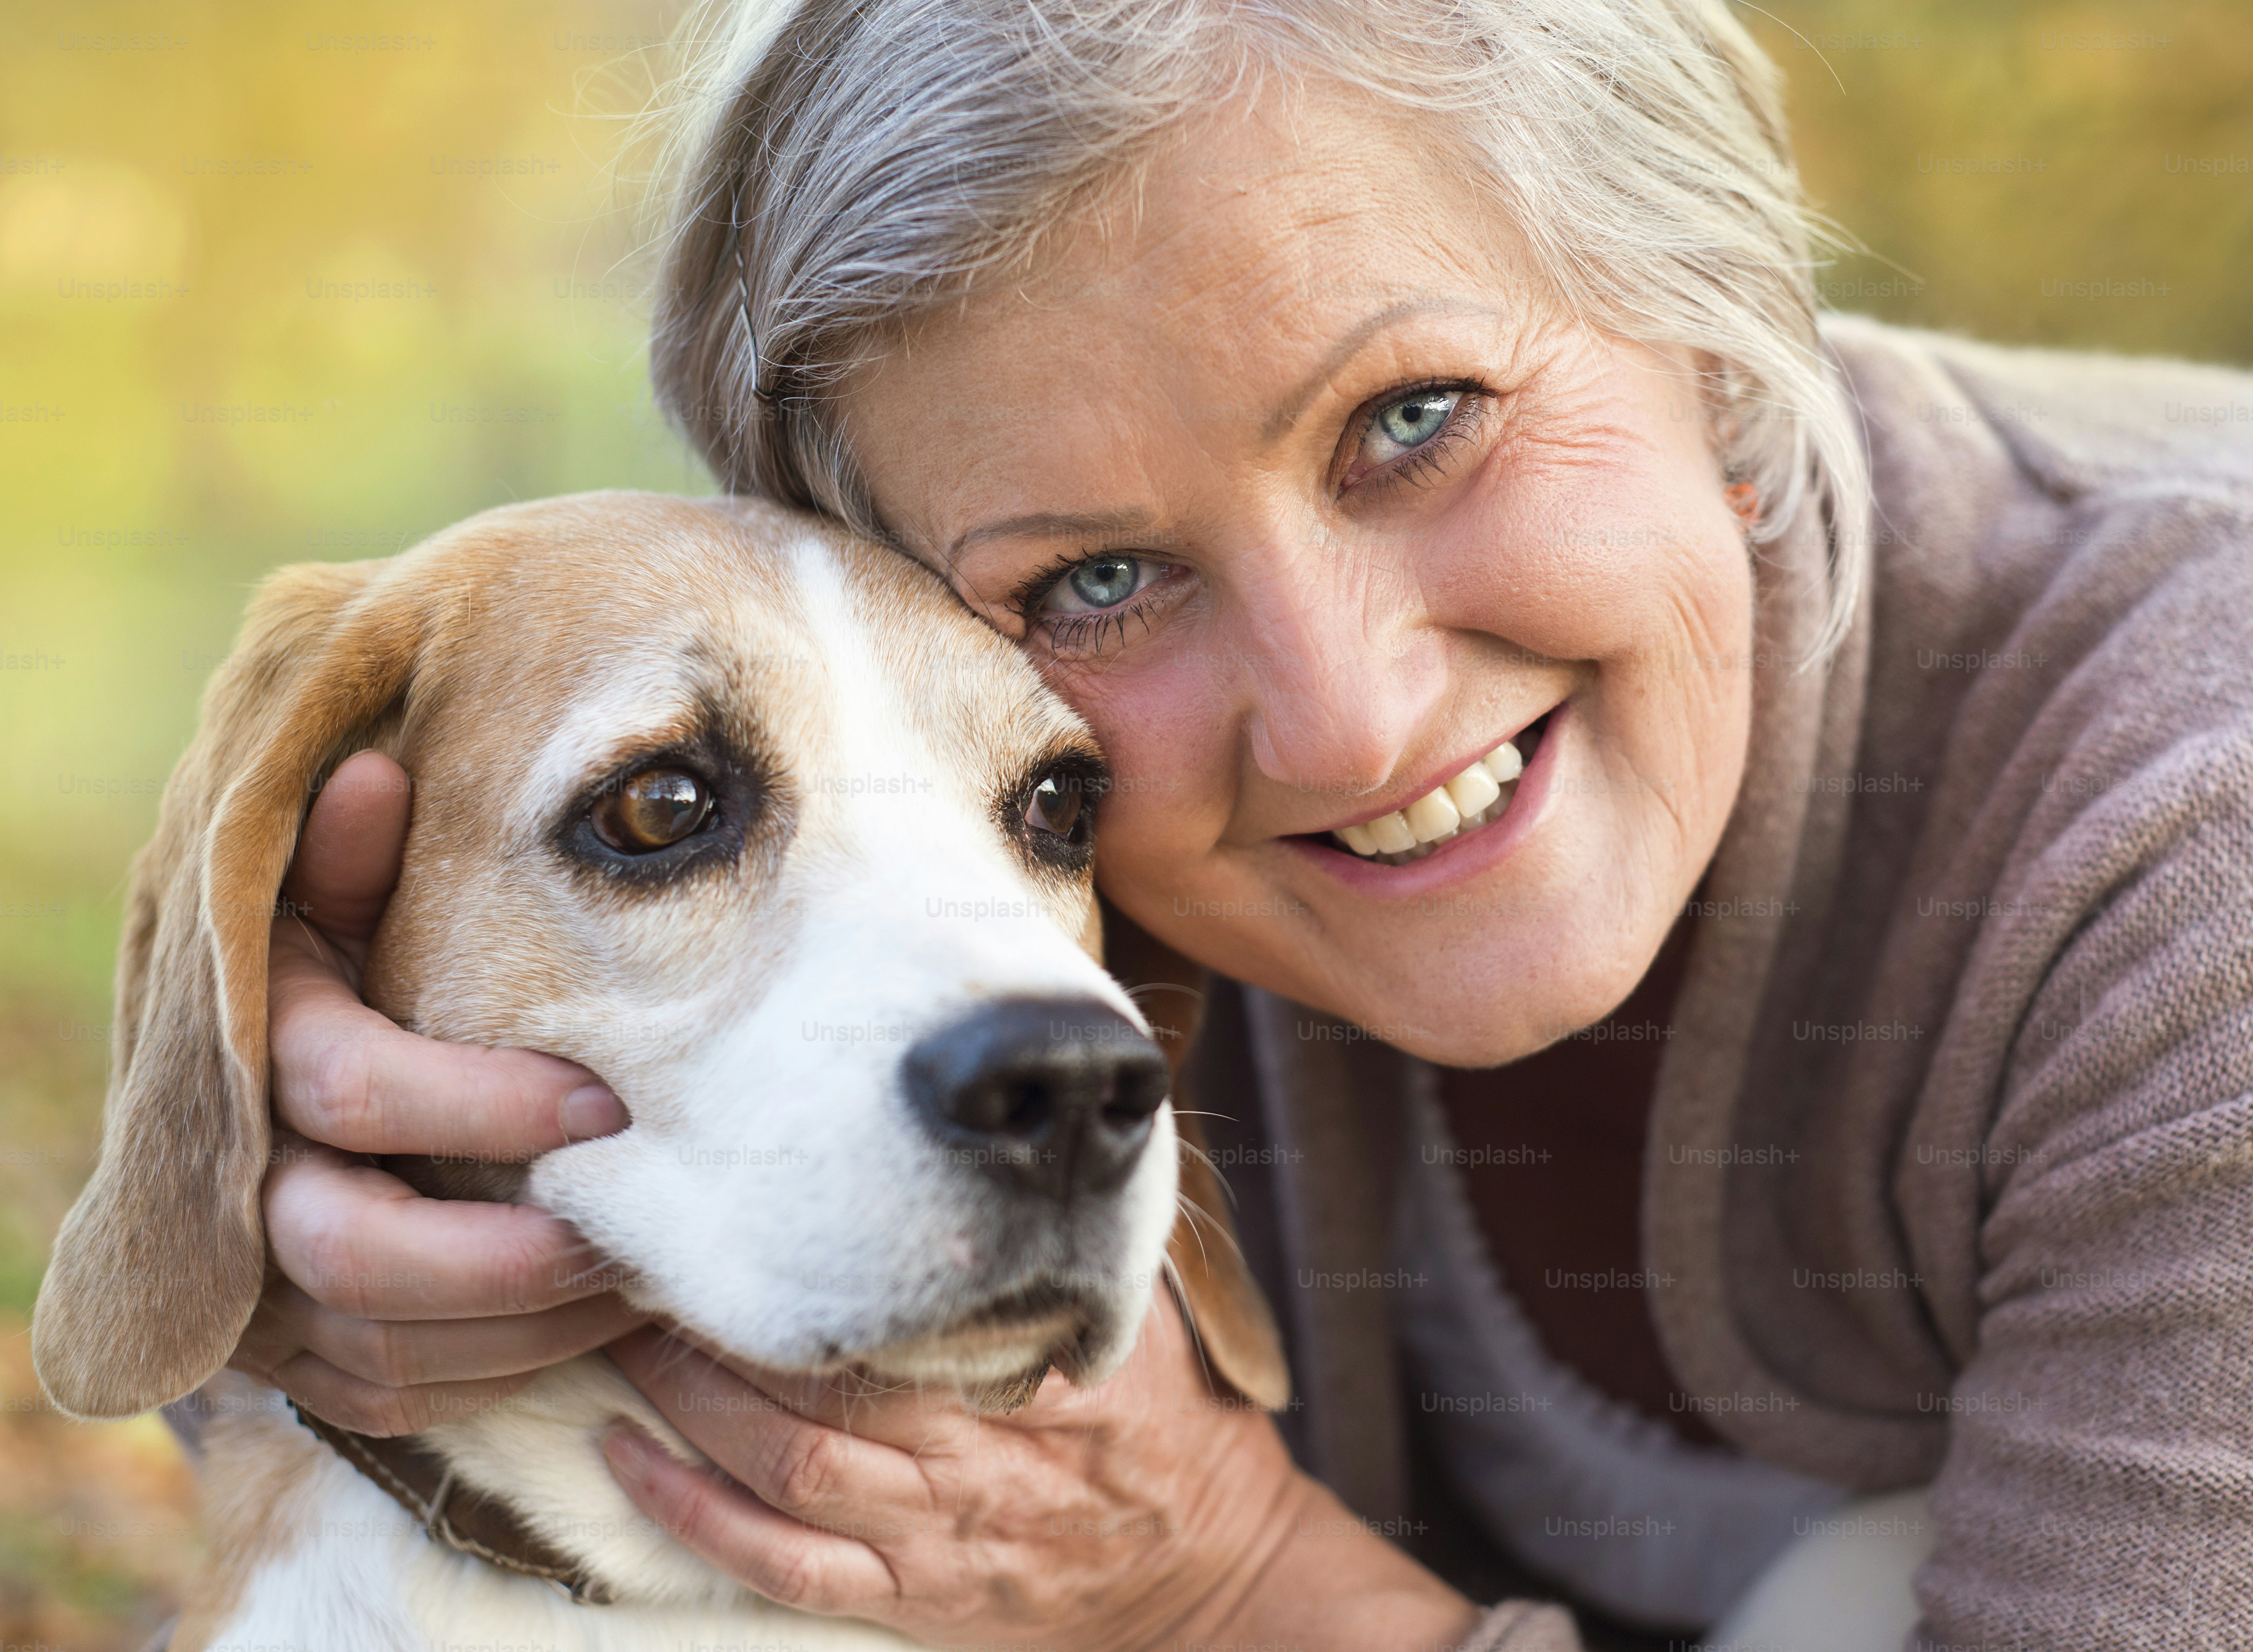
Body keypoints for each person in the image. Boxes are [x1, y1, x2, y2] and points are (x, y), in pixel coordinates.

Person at [220, 2, 2253, 1647]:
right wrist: (280, 1172)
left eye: (1411, 418)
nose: (1344, 715)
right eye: (1088, 577)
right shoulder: (1042, 882)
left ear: (1719, 342)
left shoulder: (2199, 831)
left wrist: (1231, 1580)